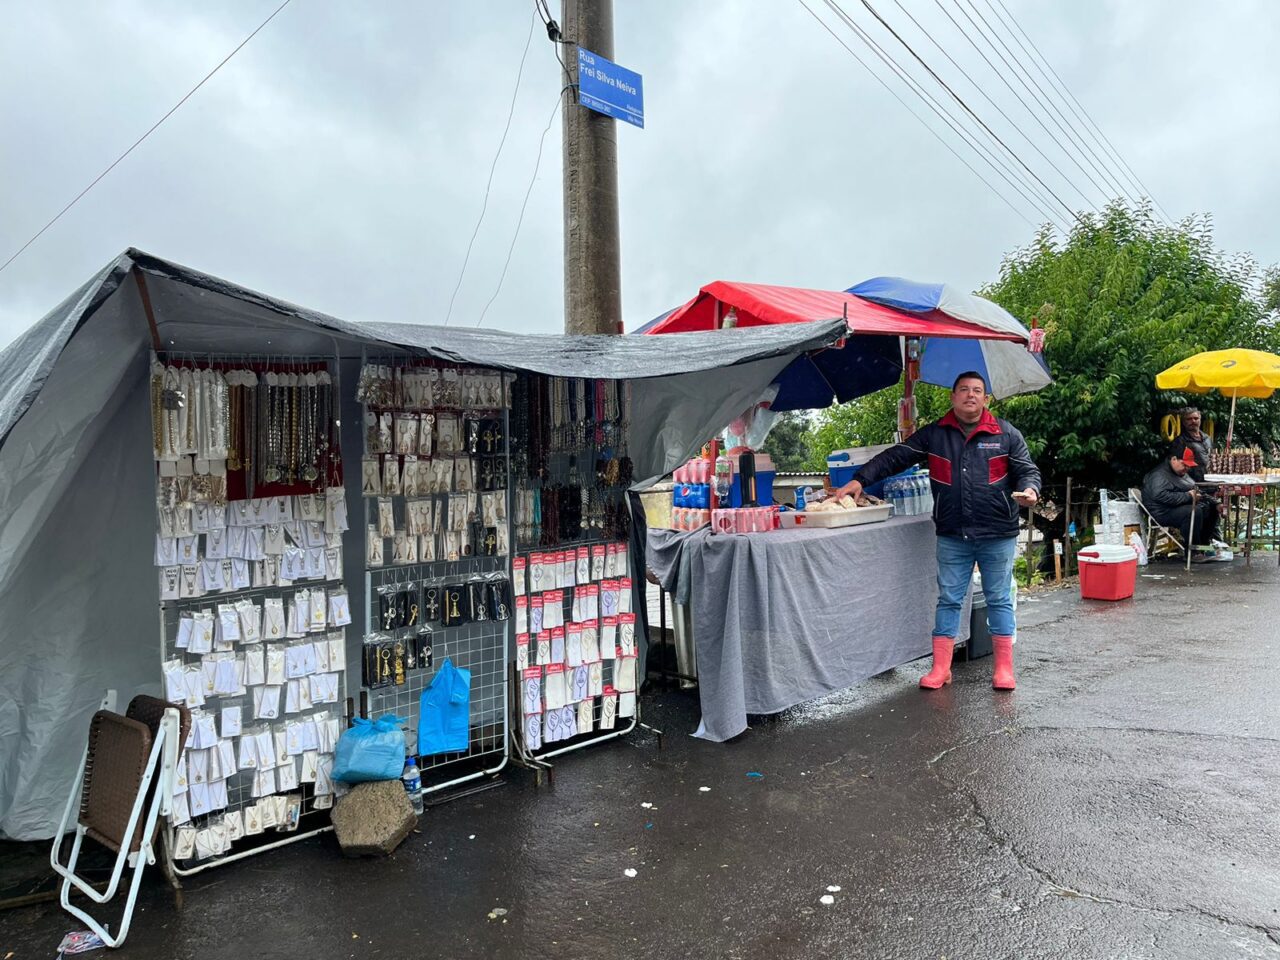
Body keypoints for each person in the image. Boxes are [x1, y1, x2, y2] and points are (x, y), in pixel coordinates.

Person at [832, 371, 1041, 691]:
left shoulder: (1006, 434)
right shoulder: (935, 434)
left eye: (977, 391)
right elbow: (895, 457)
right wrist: (860, 479)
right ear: (953, 397)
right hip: (952, 533)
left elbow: (1027, 470)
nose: (970, 395)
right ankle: (941, 668)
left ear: (986, 399)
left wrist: (1030, 490)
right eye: (964, 390)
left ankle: (1003, 668)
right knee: (948, 600)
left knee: (999, 598)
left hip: (997, 532)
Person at [1142, 449, 1224, 559]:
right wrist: (1188, 496)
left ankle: (1202, 547)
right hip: (1162, 511)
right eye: (1184, 465)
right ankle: (1192, 553)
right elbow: (1159, 496)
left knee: (1211, 509)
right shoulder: (1158, 475)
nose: (1187, 468)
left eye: (1189, 466)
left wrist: (1216, 503)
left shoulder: (1180, 473)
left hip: (1177, 507)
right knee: (1194, 511)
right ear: (1174, 459)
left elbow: (1196, 489)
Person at [1169, 407, 1212, 484]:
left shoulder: (1207, 438)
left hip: (1211, 482)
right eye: (1189, 419)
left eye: (1196, 418)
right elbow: (1176, 466)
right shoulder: (1180, 441)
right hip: (1194, 484)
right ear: (1184, 422)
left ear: (1200, 420)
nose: (1193, 421)